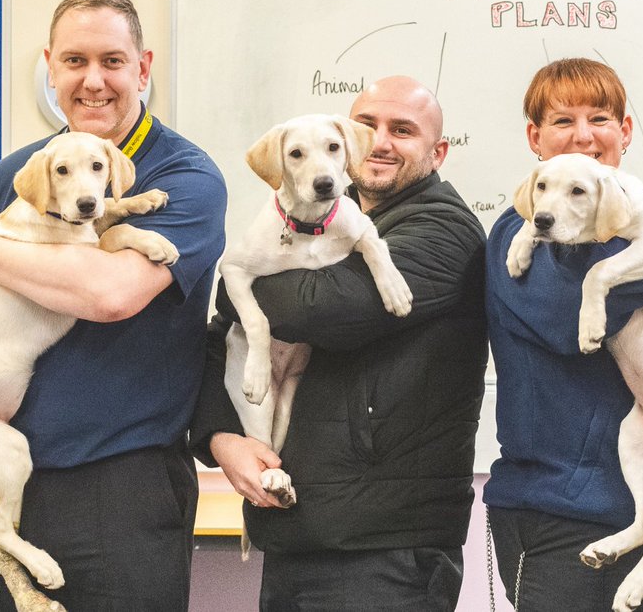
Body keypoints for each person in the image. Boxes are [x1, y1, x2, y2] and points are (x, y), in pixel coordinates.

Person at [0, 0, 227, 610]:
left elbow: (109, 292)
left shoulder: (185, 178)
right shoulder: (11, 175)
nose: (93, 81)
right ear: (51, 67)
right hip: (9, 479)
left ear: (142, 69)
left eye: (113, 61)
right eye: (74, 61)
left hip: (125, 492)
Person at [189, 75, 487, 611]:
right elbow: (221, 334)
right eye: (366, 126)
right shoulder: (316, 219)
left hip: (384, 549)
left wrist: (245, 285)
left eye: (403, 130)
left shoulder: (445, 230)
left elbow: (325, 309)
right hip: (295, 529)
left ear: (438, 152)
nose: (378, 142)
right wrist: (218, 438)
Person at [484, 58, 643, 610]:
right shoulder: (521, 232)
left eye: (600, 117)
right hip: (569, 521)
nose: (583, 135)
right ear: (535, 137)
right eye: (562, 121)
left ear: (625, 131)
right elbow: (565, 318)